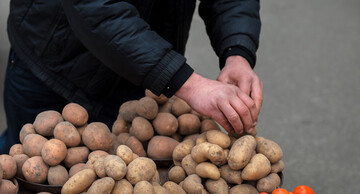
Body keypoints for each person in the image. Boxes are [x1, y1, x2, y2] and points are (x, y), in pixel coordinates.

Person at [0, 0, 263, 154]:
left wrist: (236, 51)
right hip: (56, 63)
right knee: (22, 164)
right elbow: (95, 7)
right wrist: (188, 83)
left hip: (141, 68)